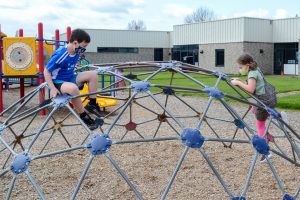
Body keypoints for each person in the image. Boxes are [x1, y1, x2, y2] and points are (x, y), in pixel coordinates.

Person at [44, 29, 102, 130]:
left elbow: (70, 64)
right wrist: (52, 88)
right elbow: (46, 71)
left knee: (93, 74)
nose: (84, 49)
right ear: (75, 43)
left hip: (70, 77)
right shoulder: (60, 54)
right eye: (83, 46)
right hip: (58, 81)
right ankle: (83, 116)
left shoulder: (76, 51)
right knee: (74, 89)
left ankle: (92, 104)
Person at [231, 53, 276, 163]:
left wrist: (237, 82)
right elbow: (253, 86)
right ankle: (267, 129)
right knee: (252, 109)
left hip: (263, 102)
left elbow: (250, 89)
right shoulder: (256, 70)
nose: (240, 69)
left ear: (247, 65)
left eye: (240, 67)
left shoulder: (252, 74)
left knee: (259, 125)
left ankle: (265, 152)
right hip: (270, 98)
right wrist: (240, 81)